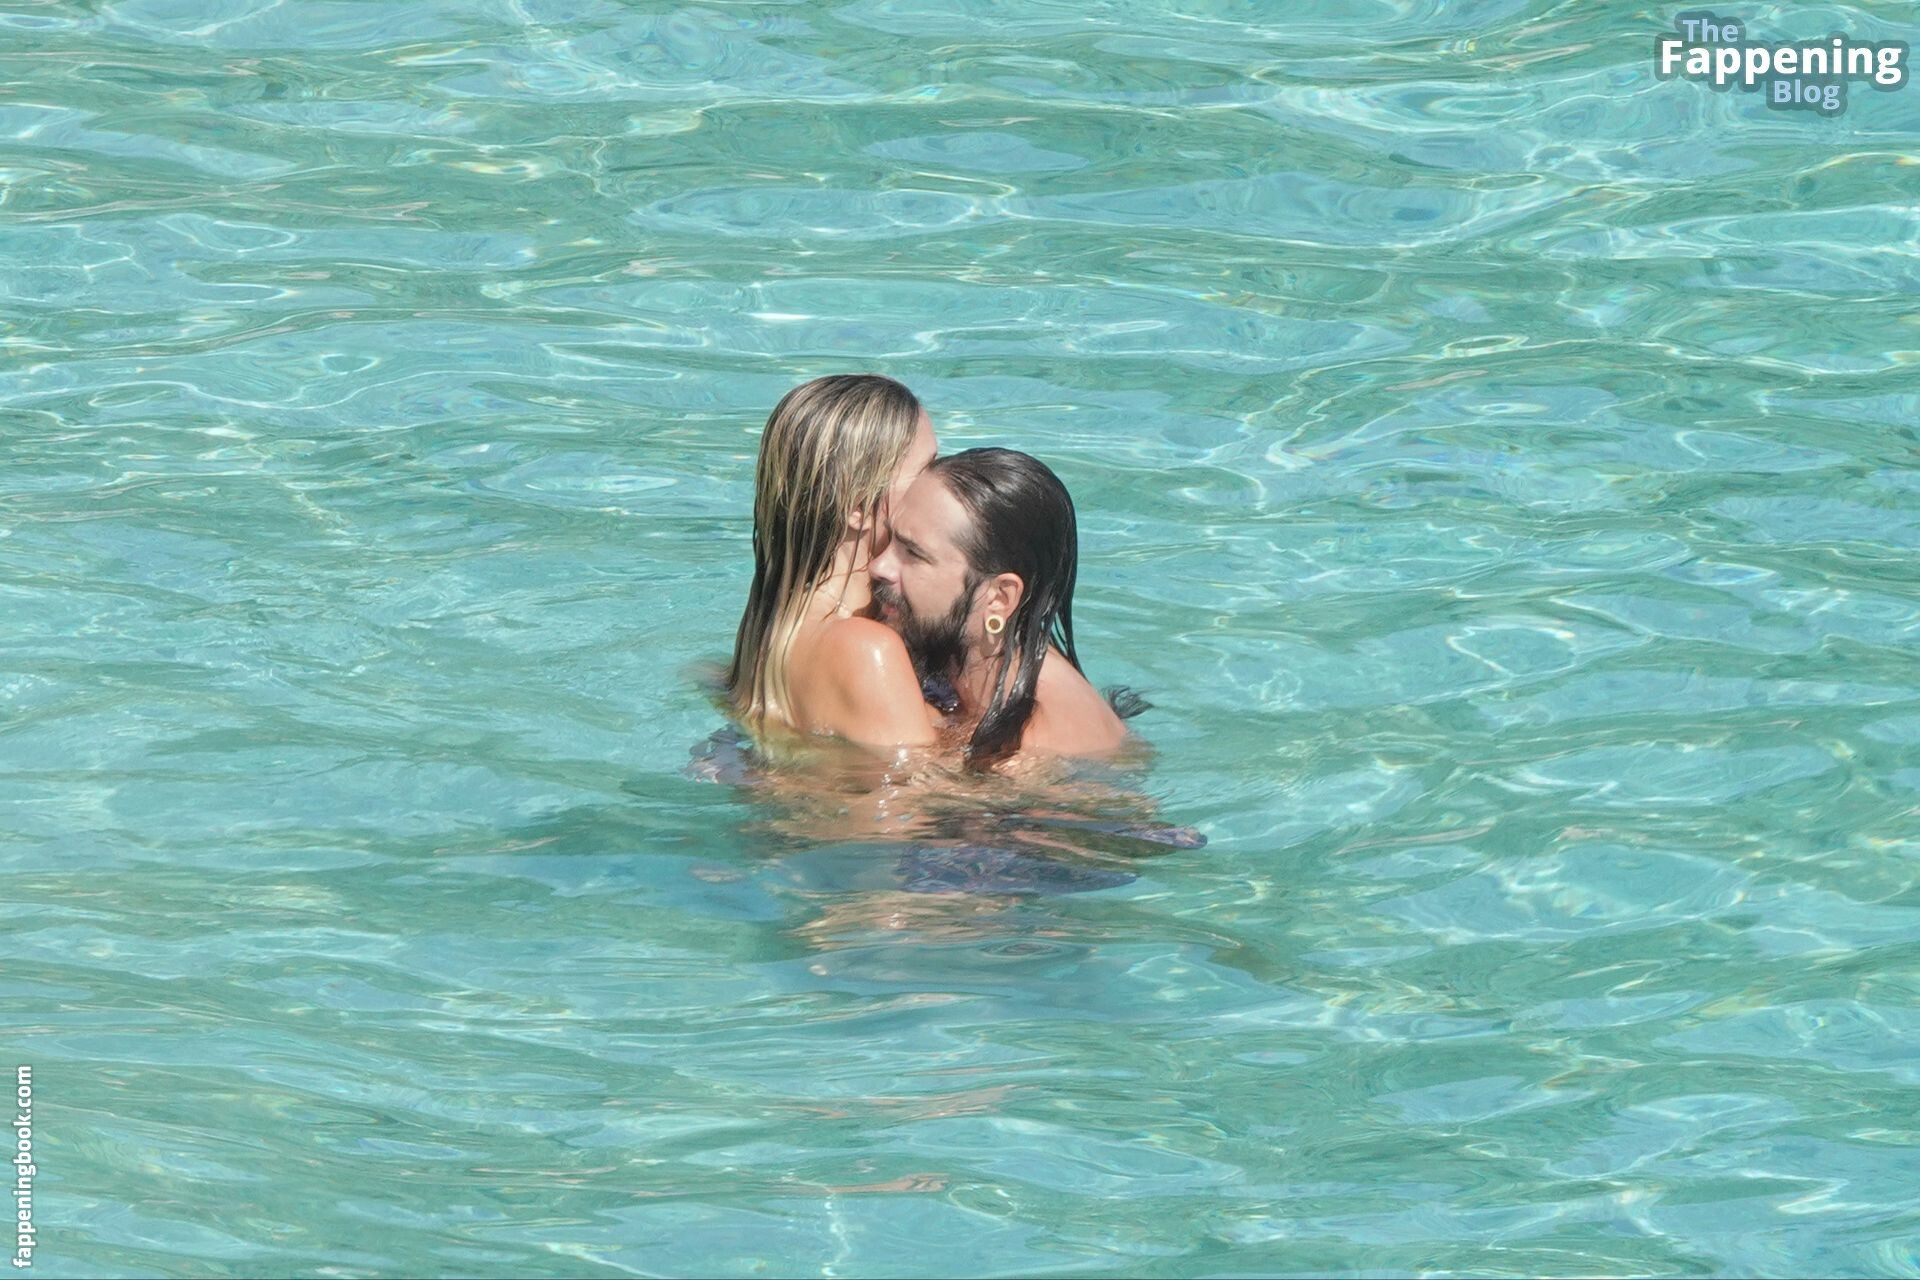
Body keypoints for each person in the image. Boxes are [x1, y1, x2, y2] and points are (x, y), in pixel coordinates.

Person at [867, 447, 1142, 770]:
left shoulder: (1029, 752)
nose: (878, 566)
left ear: (1000, 597)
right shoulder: (968, 662)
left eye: (913, 553)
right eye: (891, 539)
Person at [725, 373, 940, 753]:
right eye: (928, 470)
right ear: (858, 507)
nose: (944, 486)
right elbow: (918, 785)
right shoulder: (866, 648)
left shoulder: (769, 626)